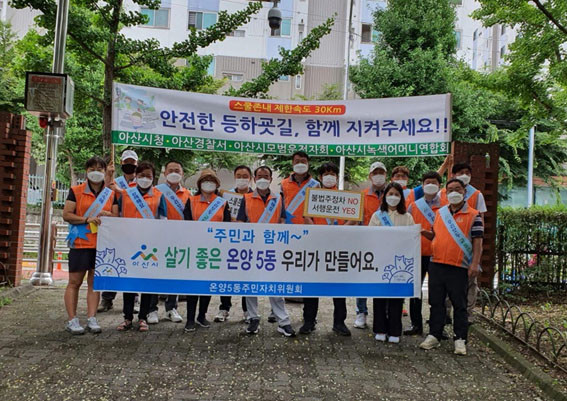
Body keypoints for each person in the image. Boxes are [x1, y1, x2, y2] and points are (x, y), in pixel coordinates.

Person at [419, 178, 483, 356]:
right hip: (437, 264)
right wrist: (423, 232)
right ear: (446, 193)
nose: (454, 192)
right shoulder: (440, 213)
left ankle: (460, 339)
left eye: (458, 189)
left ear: (464, 192)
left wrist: (475, 263)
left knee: (459, 304)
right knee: (436, 302)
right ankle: (434, 335)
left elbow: (478, 241)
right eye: (450, 190)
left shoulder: (474, 215)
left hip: (459, 266)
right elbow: (436, 235)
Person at [237, 166, 296, 337]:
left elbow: (283, 220)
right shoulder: (246, 198)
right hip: (252, 248)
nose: (263, 179)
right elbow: (240, 222)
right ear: (255, 179)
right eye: (259, 176)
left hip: (272, 249)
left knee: (275, 285)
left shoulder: (278, 199)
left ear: (270, 179)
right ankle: (253, 318)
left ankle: (283, 321)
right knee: (251, 286)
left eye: (266, 176)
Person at [62, 156, 116, 334]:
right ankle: (72, 320)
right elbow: (67, 214)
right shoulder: (76, 191)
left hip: (101, 244)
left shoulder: (110, 194)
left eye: (100, 169)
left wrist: (109, 215)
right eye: (92, 169)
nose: (96, 172)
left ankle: (92, 318)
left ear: (105, 172)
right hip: (80, 243)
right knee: (74, 282)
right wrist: (86, 219)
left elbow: (117, 217)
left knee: (94, 283)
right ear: (86, 171)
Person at [114, 161, 167, 332]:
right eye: (142, 175)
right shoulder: (125, 195)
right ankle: (127, 317)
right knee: (129, 282)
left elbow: (163, 220)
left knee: (146, 282)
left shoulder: (159, 196)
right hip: (128, 244)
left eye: (148, 176)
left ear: (153, 178)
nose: (145, 179)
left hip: (150, 246)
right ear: (136, 176)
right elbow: (117, 216)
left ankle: (143, 317)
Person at [301, 162, 351, 336]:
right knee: (312, 286)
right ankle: (309, 321)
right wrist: (319, 232)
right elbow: (306, 218)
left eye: (332, 174)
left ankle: (339, 322)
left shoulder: (345, 197)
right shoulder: (312, 196)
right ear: (320, 178)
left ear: (337, 177)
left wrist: (341, 231)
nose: (329, 177)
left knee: (339, 287)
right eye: (325, 174)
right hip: (317, 246)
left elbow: (354, 219)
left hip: (338, 248)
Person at [183, 169, 232, 332]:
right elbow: (186, 223)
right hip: (196, 249)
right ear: (199, 184)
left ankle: (201, 316)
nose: (208, 183)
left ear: (217, 184)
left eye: (211, 180)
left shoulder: (222, 203)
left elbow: (226, 226)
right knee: (193, 285)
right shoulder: (191, 201)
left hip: (214, 251)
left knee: (206, 285)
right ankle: (190, 319)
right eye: (205, 180)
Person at [439, 162, 487, 322]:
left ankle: (467, 314)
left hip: (467, 246)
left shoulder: (476, 194)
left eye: (467, 172)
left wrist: (476, 256)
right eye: (460, 172)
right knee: (446, 283)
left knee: (470, 283)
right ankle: (445, 313)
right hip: (447, 247)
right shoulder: (443, 193)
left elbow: (481, 221)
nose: (464, 175)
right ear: (453, 175)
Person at [369, 182, 415, 344]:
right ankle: (380, 329)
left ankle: (395, 330)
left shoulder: (407, 217)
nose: (393, 197)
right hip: (381, 261)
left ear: (401, 197)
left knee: (396, 298)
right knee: (380, 297)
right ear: (385, 196)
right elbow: (371, 237)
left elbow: (411, 239)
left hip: (399, 264)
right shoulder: (377, 216)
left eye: (396, 194)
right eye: (390, 194)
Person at [146, 160, 190, 325]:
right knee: (154, 274)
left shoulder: (188, 195)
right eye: (170, 170)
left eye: (177, 170)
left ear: (182, 174)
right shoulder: (155, 191)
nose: (173, 173)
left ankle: (171, 308)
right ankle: (151, 309)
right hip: (157, 239)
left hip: (178, 240)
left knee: (174, 275)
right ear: (165, 173)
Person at [404, 171, 446, 336]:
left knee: (438, 293)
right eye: (427, 182)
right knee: (415, 291)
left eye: (434, 182)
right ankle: (416, 325)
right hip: (417, 254)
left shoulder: (445, 206)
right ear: (422, 185)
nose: (430, 185)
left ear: (439, 185)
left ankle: (438, 328)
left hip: (438, 255)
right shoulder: (414, 206)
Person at [99, 149, 138, 313]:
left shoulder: (142, 183)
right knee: (112, 263)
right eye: (126, 162)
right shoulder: (115, 181)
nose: (129, 165)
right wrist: (108, 175)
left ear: (136, 164)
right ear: (121, 163)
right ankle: (107, 299)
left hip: (135, 229)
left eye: (132, 163)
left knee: (134, 264)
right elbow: (105, 194)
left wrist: (121, 192)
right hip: (116, 228)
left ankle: (134, 299)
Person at [350, 161, 387, 329]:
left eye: (381, 172)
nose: (378, 176)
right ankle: (361, 312)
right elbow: (356, 220)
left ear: (386, 175)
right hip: (366, 242)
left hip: (387, 243)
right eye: (375, 172)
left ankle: (383, 312)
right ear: (370, 176)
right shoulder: (362, 196)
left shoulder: (392, 194)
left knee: (384, 277)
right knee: (363, 278)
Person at [214, 165, 253, 324]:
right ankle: (224, 308)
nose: (242, 179)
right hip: (229, 240)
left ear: (250, 178)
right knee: (226, 274)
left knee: (247, 276)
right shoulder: (226, 196)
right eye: (239, 176)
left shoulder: (254, 196)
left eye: (245, 176)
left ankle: (247, 310)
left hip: (249, 241)